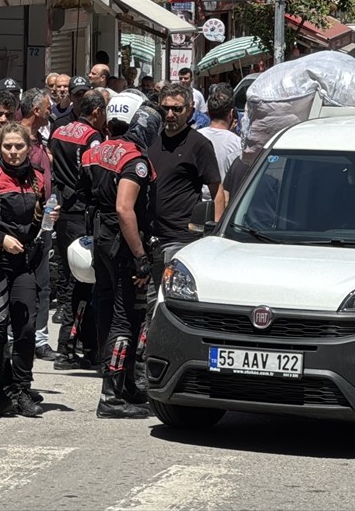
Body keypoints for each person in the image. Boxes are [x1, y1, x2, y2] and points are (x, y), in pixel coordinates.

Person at [80, 96, 162, 419]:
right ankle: (111, 395)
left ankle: (124, 384)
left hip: (100, 240)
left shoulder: (97, 150)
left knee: (107, 309)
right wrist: (141, 255)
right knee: (125, 317)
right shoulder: (135, 160)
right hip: (121, 243)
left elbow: (86, 192)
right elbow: (124, 208)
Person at [0, 122, 55, 418]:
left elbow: (38, 222)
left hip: (24, 263)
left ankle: (22, 389)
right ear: (0, 147)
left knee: (25, 328)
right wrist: (1, 239)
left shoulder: (37, 179)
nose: (12, 152)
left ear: (29, 148)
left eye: (18, 146)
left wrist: (45, 218)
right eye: (7, 146)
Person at [145, 84, 224, 317]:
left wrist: (215, 232)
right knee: (151, 303)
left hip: (180, 238)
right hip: (150, 238)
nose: (170, 114)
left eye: (177, 109)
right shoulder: (152, 141)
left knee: (170, 304)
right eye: (166, 108)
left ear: (189, 110)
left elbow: (217, 189)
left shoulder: (198, 144)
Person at [49, 91, 107, 369]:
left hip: (64, 212)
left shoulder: (60, 131)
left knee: (73, 278)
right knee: (84, 281)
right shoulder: (91, 137)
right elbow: (93, 175)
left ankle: (86, 346)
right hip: (82, 214)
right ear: (96, 112)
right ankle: (67, 348)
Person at [18, 88, 57, 361]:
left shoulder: (41, 141)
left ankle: (40, 338)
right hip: (23, 225)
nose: (50, 112)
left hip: (46, 220)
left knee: (43, 282)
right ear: (35, 111)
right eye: (46, 108)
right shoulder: (19, 141)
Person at [197, 89, 241, 192]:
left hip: (198, 201)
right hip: (226, 200)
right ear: (231, 113)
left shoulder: (195, 137)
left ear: (208, 112)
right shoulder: (238, 143)